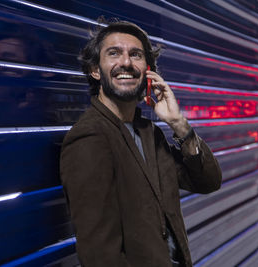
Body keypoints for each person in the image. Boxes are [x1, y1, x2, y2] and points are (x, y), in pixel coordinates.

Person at [60, 19, 222, 267]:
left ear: (147, 70)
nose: (126, 62)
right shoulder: (90, 137)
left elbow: (208, 181)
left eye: (135, 55)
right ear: (95, 70)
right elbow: (100, 254)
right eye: (114, 53)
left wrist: (178, 123)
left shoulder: (150, 133)